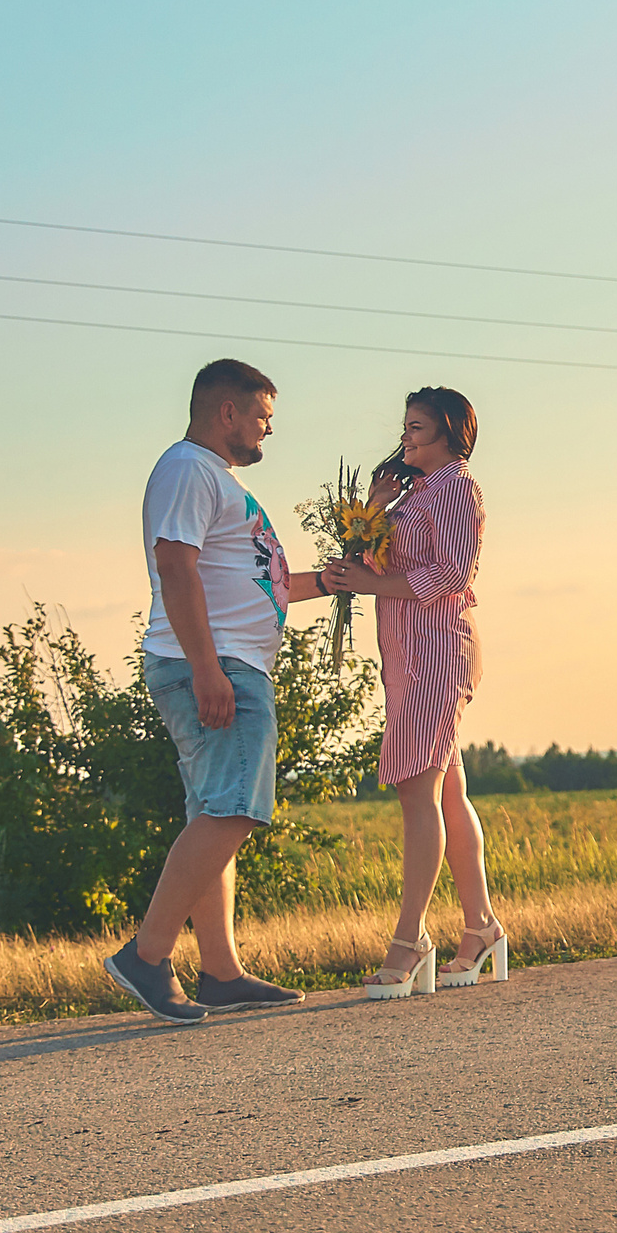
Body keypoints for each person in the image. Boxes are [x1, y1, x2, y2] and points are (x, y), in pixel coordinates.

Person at [104, 358, 331, 1024]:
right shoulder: (188, 469)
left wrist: (333, 581)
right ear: (226, 412)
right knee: (234, 809)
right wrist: (206, 667)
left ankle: (220, 971)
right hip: (216, 664)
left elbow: (259, 581)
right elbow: (174, 565)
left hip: (226, 659)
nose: (268, 430)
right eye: (262, 416)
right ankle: (146, 956)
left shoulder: (216, 481)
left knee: (214, 813)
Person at [319, 385, 506, 997]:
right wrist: (372, 512)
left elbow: (453, 573)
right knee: (446, 787)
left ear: (453, 433)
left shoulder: (453, 485)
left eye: (419, 428)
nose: (407, 436)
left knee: (417, 788)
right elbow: (388, 570)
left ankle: (410, 940)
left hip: (435, 649)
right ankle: (480, 929)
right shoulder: (415, 493)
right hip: (408, 651)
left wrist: (376, 583)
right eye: (405, 426)